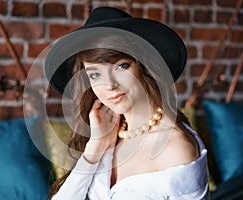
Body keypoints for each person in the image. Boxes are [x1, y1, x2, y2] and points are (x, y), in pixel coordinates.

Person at [44, 7, 209, 200]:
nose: (109, 85)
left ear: (145, 65)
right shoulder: (111, 134)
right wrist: (95, 147)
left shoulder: (175, 148)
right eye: (95, 75)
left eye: (121, 66)